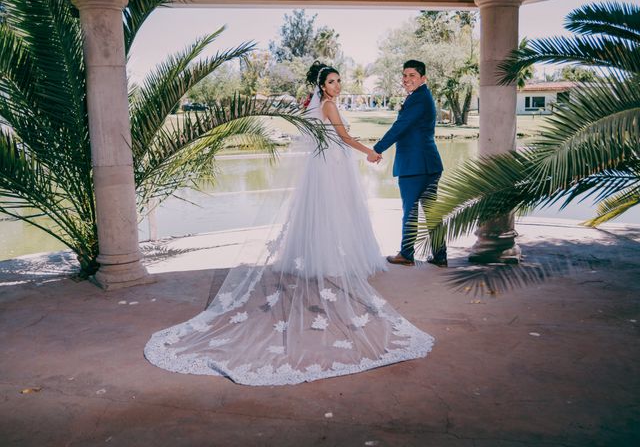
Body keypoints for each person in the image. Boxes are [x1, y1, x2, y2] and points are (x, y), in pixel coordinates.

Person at [144, 61, 435, 386]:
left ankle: (320, 256)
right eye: (333, 81)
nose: (338, 85)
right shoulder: (328, 106)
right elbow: (343, 136)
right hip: (333, 168)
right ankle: (331, 259)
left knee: (326, 215)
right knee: (334, 213)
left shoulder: (320, 105)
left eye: (339, 81)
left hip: (326, 166)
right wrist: (372, 151)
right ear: (323, 86)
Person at [372, 60, 447, 267]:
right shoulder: (422, 96)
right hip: (428, 164)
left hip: (415, 166)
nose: (407, 80)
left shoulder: (419, 98)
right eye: (405, 76)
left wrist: (377, 149)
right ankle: (440, 256)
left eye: (412, 75)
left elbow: (400, 127)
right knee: (431, 213)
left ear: (423, 78)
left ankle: (406, 254)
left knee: (411, 211)